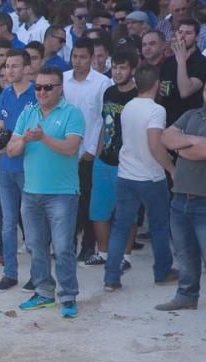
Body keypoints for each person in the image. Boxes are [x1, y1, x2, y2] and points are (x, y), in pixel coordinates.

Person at [6, 66, 85, 319]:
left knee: (62, 247)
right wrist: (25, 140)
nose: (41, 92)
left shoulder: (73, 113)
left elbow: (71, 148)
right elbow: (11, 150)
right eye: (38, 87)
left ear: (60, 88)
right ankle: (43, 292)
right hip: (31, 192)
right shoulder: (28, 113)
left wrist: (42, 138)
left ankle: (69, 295)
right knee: (35, 245)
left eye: (47, 87)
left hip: (62, 193)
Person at [104, 63, 176, 292]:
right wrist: (172, 169)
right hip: (151, 177)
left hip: (126, 174)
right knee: (159, 226)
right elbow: (155, 144)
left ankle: (111, 276)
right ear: (157, 84)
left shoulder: (129, 107)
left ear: (136, 83)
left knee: (120, 226)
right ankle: (162, 271)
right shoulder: (156, 110)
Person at [154, 85, 206, 311]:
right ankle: (186, 295)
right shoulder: (191, 115)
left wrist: (182, 145)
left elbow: (202, 152)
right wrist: (193, 141)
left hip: (204, 200)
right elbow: (165, 137)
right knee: (185, 253)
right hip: (180, 197)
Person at [87, 50, 138, 269]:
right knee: (98, 210)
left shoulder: (138, 95)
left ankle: (126, 257)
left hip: (127, 163)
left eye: (123, 67)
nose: (117, 72)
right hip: (104, 159)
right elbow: (103, 124)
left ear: (132, 70)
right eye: (115, 67)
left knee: (127, 212)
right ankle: (104, 253)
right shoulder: (108, 92)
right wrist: (98, 152)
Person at [62, 37, 110, 264]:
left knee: (89, 202)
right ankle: (67, 244)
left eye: (83, 57)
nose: (78, 61)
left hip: (89, 153)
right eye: (75, 56)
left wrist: (93, 149)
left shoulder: (102, 83)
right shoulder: (62, 80)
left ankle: (88, 246)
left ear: (91, 58)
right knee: (67, 202)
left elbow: (104, 120)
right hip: (64, 153)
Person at [0, 48, 36, 292]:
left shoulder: (36, 94)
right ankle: (10, 272)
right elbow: (1, 126)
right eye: (7, 66)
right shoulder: (5, 94)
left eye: (15, 66)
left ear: (26, 68)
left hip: (29, 167)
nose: (9, 70)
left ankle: (37, 273)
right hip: (6, 168)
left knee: (31, 224)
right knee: (8, 223)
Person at [158, 18, 206, 126]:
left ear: (197, 37)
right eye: (180, 32)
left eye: (188, 33)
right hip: (167, 119)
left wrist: (181, 62)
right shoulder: (168, 61)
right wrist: (159, 90)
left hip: (189, 123)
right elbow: (162, 93)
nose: (183, 37)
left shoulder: (202, 63)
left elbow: (185, 91)